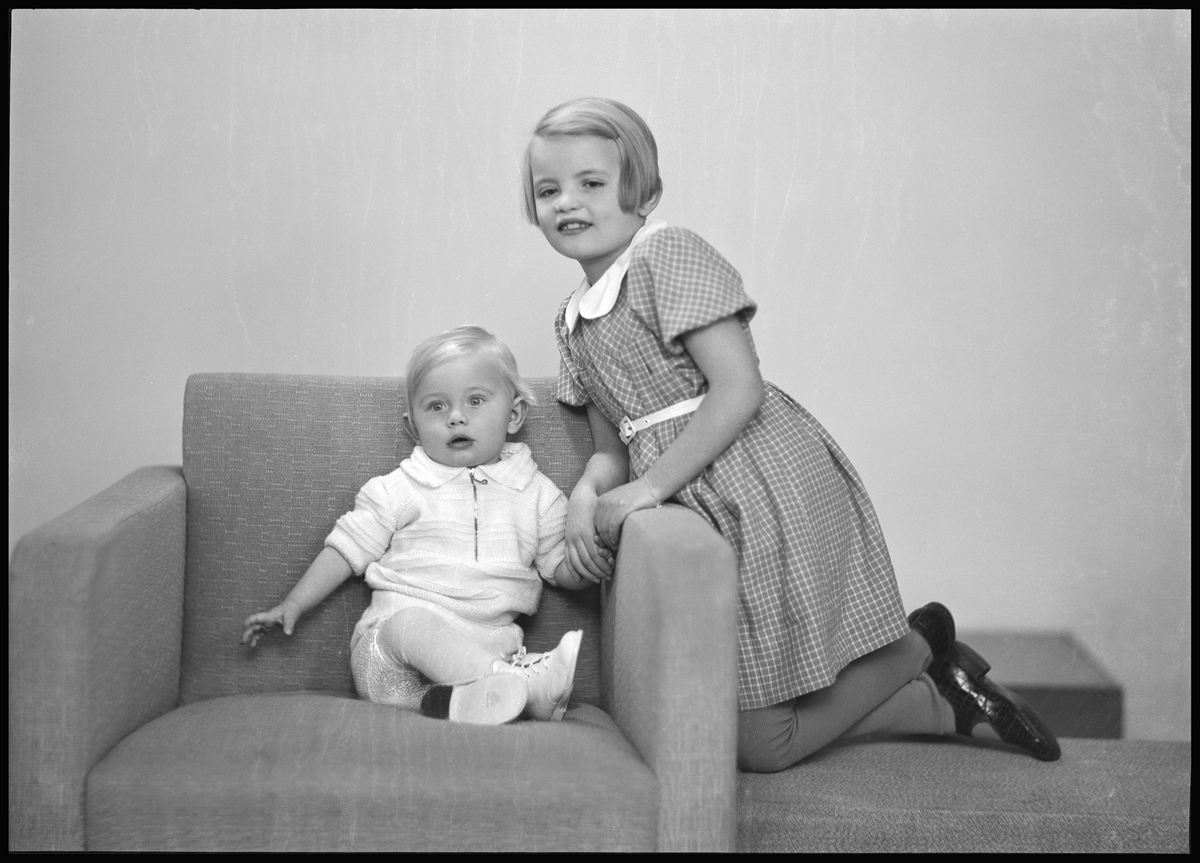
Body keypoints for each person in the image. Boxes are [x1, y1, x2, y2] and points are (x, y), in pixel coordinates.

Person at [522, 96, 1060, 771]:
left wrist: (647, 489)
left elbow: (739, 387)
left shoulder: (667, 255)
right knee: (756, 738)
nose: (568, 202)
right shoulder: (572, 320)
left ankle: (919, 644)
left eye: (592, 183)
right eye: (549, 190)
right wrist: (585, 495)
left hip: (759, 482)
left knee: (761, 741)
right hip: (697, 499)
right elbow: (612, 445)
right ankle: (936, 689)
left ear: (644, 195)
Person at [241, 325, 591, 725]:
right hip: (390, 656)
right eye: (436, 407)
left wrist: (590, 560)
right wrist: (294, 603)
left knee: (490, 656)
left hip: (479, 656)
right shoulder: (400, 487)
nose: (456, 417)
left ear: (513, 415)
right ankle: (522, 686)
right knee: (411, 624)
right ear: (414, 428)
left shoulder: (537, 494)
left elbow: (559, 567)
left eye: (475, 401)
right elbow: (346, 547)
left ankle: (483, 694)